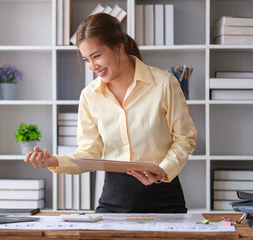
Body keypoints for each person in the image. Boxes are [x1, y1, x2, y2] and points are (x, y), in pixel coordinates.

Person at [24, 12, 197, 213]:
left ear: (119, 46)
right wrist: (54, 161)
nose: (92, 66)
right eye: (86, 59)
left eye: (96, 56)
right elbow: (89, 153)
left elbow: (186, 138)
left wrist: (163, 170)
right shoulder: (90, 95)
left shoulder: (164, 83)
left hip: (164, 198)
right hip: (114, 200)